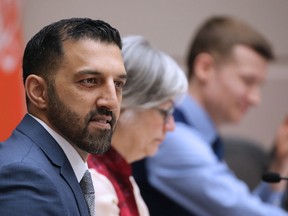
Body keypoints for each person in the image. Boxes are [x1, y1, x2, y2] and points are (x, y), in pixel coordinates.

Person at [132, 16, 288, 215]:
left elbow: (246, 208)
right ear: (205, 68)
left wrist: (281, 164)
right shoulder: (172, 134)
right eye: (248, 81)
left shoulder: (203, 135)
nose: (256, 98)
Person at [0, 17, 127, 216]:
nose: (111, 101)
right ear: (39, 91)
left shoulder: (60, 169)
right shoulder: (25, 177)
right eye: (90, 81)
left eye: (118, 84)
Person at [87, 35, 188, 216]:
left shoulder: (120, 176)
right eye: (165, 113)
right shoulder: (96, 188)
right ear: (123, 105)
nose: (171, 126)